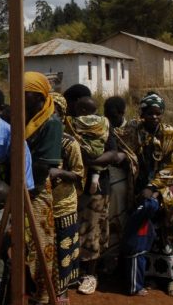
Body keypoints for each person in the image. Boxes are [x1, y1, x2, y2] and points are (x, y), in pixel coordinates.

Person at [117, 91, 173, 298]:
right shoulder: (133, 129)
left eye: (158, 113)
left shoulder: (169, 133)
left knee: (164, 231)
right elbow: (119, 140)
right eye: (149, 113)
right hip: (135, 188)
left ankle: (168, 278)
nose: (154, 117)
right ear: (142, 113)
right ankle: (141, 275)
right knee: (142, 231)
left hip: (162, 189)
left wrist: (153, 188)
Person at [63, 83, 118, 296]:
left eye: (69, 102)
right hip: (74, 185)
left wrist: (91, 160)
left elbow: (113, 153)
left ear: (77, 103)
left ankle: (90, 274)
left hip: (96, 187)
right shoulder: (70, 125)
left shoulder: (103, 125)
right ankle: (73, 271)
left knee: (92, 229)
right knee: (74, 229)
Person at [23, 72, 63, 305]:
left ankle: (43, 296)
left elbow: (43, 164)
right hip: (18, 187)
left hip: (36, 190)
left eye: (24, 93)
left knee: (39, 245)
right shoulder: (23, 116)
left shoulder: (51, 122)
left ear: (38, 96)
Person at [50, 92, 85, 300]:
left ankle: (61, 292)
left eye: (53, 112)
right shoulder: (34, 138)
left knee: (63, 247)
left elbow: (79, 173)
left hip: (63, 203)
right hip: (41, 202)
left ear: (62, 116)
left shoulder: (69, 143)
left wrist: (59, 173)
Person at [103, 96, 131, 267]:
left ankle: (120, 258)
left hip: (125, 181)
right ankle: (108, 257)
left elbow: (134, 156)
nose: (109, 119)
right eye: (106, 115)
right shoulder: (103, 128)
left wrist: (124, 157)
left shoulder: (131, 129)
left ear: (122, 113)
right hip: (108, 178)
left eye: (112, 116)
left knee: (121, 219)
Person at [65, 96, 109, 195]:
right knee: (97, 165)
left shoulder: (77, 121)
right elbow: (105, 135)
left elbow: (69, 127)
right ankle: (95, 176)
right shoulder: (103, 121)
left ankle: (81, 185)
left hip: (85, 150)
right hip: (99, 151)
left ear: (83, 110)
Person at [121, 193, 160, 296]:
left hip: (138, 244)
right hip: (135, 245)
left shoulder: (139, 209)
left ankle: (136, 284)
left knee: (138, 265)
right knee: (135, 266)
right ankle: (135, 288)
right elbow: (151, 206)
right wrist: (154, 196)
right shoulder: (140, 211)